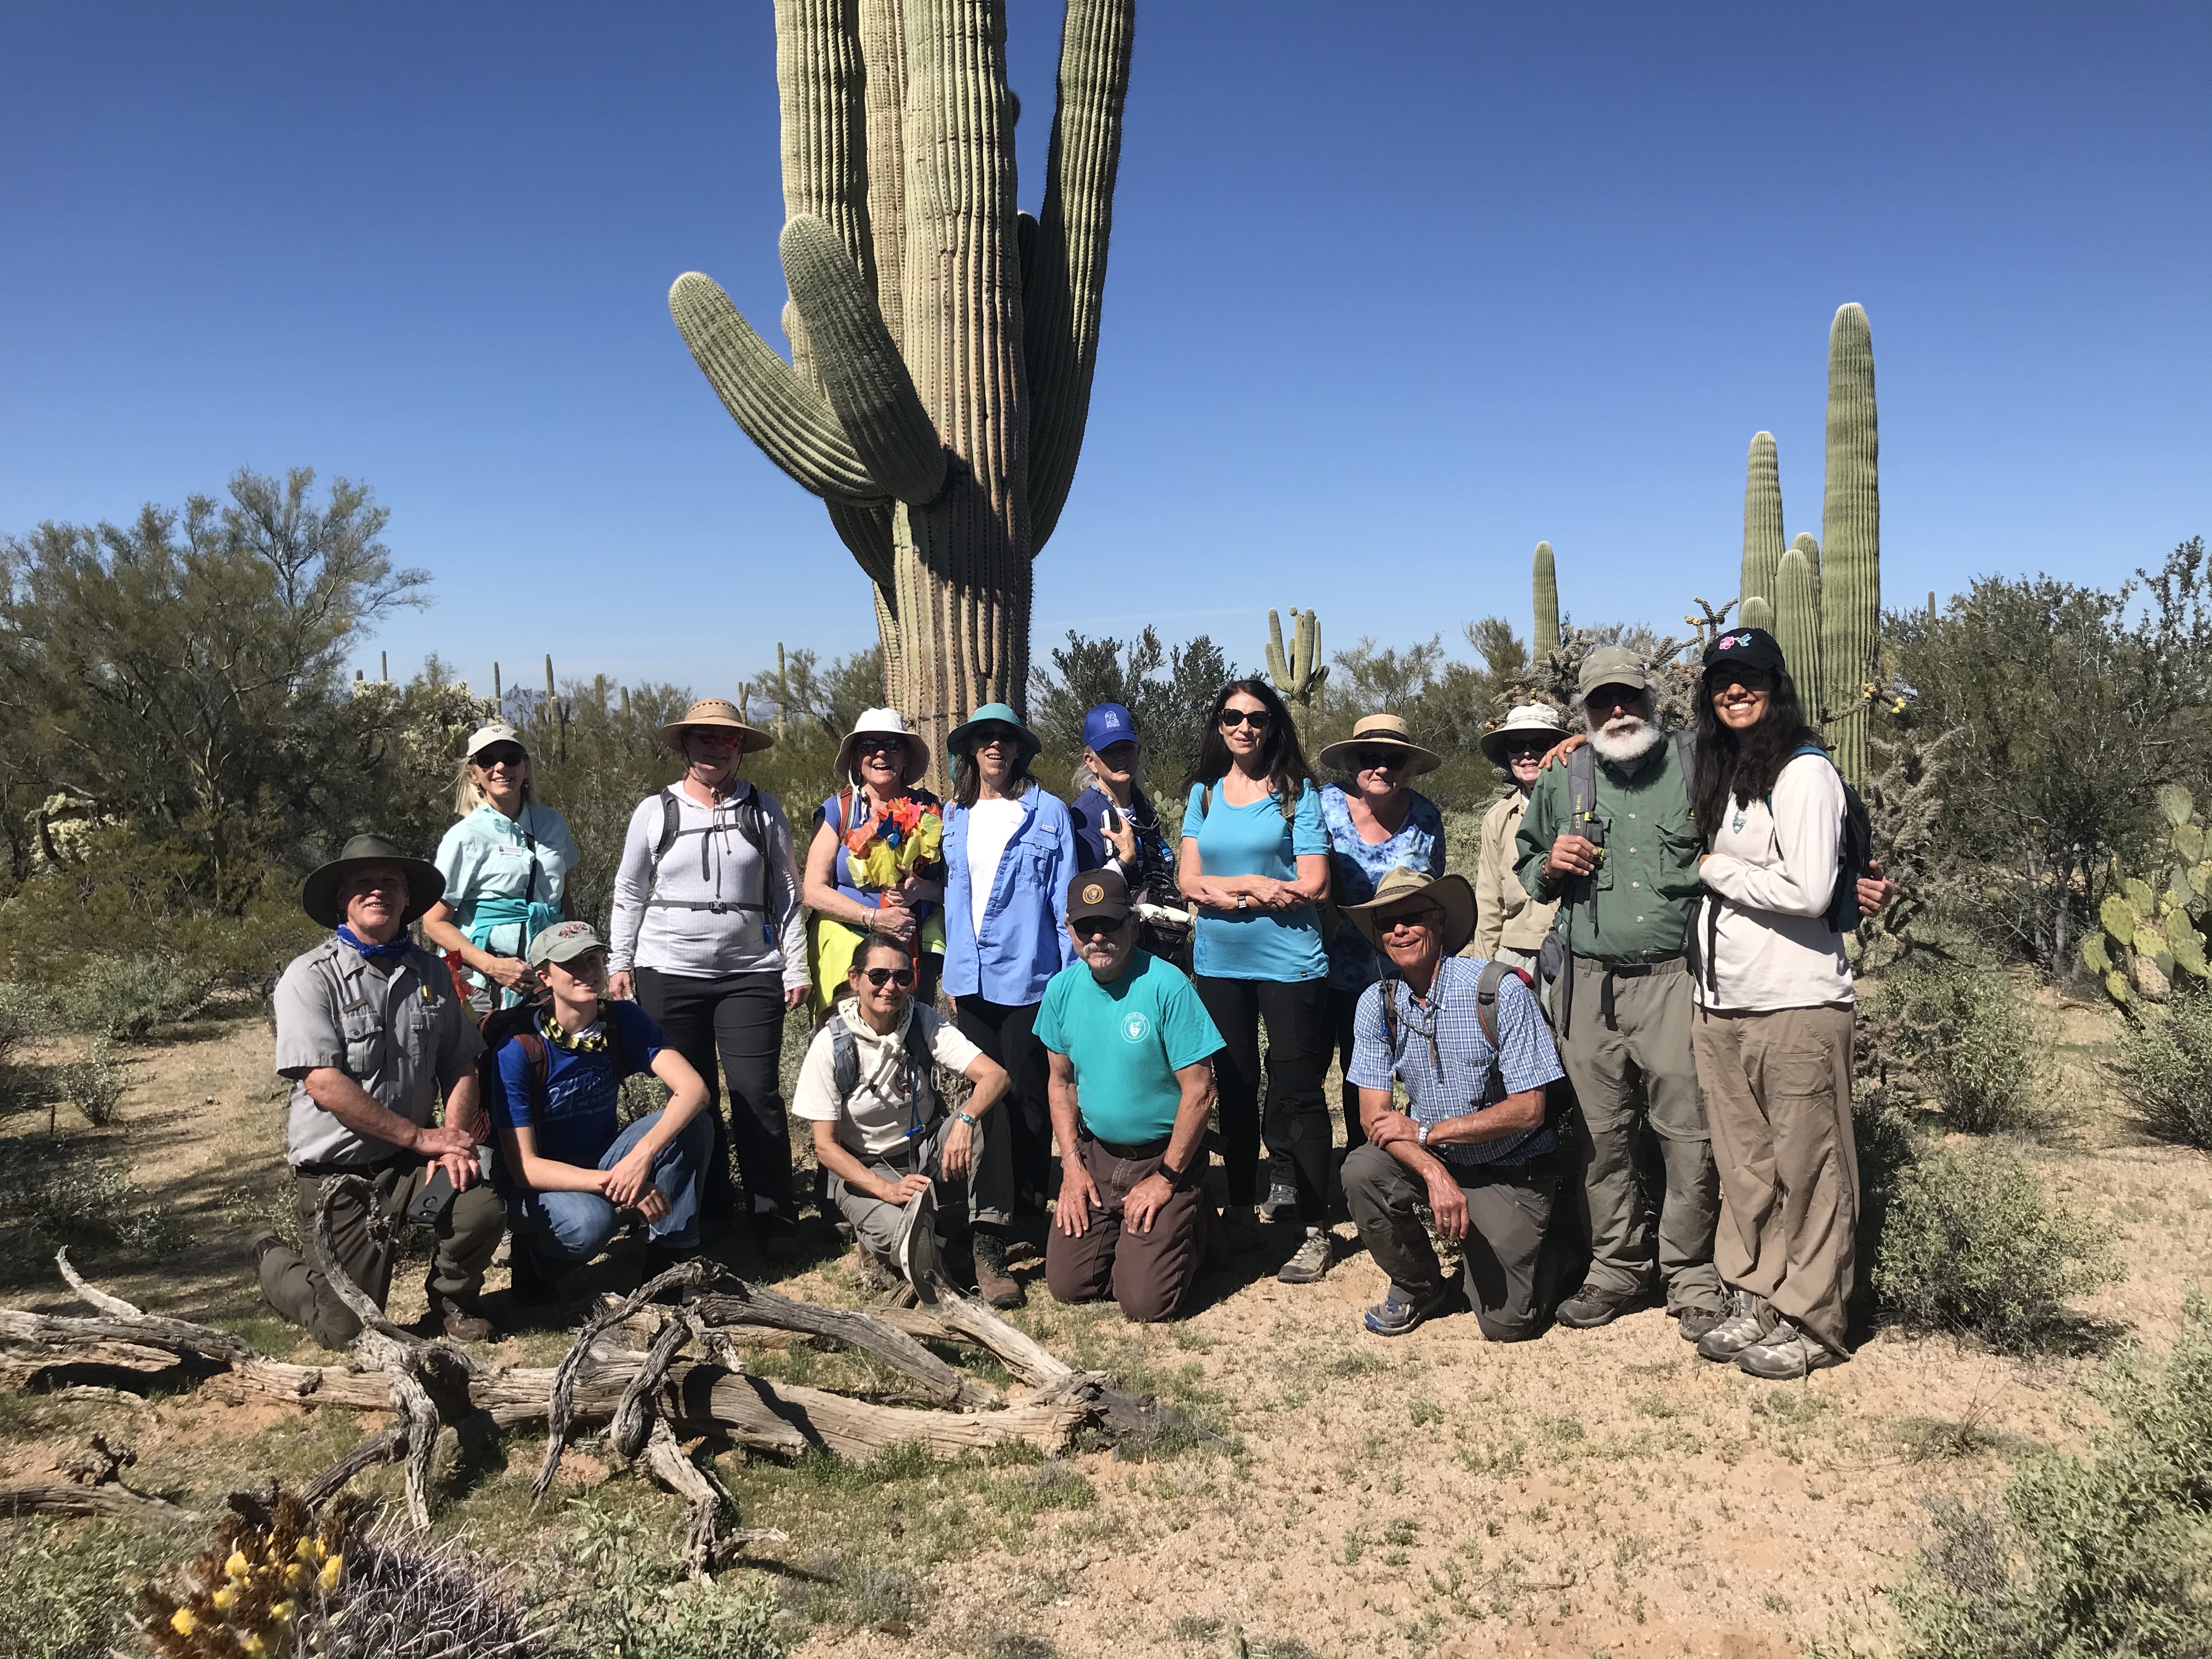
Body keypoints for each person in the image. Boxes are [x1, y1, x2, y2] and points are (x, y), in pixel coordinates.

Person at [1513, 646, 1730, 1340]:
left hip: (1676, 976)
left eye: (1629, 697)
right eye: (1602, 701)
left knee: (1686, 1135)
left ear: (1653, 699)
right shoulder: (1565, 775)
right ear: (1583, 710)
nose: (1617, 711)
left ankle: (1690, 1272)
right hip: (1586, 983)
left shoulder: (1700, 765)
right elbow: (1526, 861)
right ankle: (1617, 1266)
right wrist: (1550, 864)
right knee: (1603, 1138)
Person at [1684, 627, 1860, 1379]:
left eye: (1749, 677)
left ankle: (1814, 1317)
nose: (1735, 690)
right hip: (1725, 1004)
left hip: (1795, 1003)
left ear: (1776, 684)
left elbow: (1811, 890)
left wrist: (1720, 872)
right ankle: (1756, 1293)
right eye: (1722, 679)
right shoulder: (1731, 772)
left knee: (1810, 1164)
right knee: (1747, 1165)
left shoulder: (1804, 773)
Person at [257, 834, 505, 1347]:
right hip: (338, 1175)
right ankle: (272, 1262)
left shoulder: (433, 971)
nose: (379, 893)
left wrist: (452, 1141)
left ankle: (453, 1300)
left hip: (411, 1168)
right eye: (364, 884)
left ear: (407, 898)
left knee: (479, 1199)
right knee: (346, 1333)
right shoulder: (310, 977)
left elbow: (461, 1062)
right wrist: (421, 1137)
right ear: (343, 899)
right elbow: (323, 1084)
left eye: (390, 883)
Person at [606, 698, 808, 1262]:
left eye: (727, 740)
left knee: (756, 1095)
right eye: (703, 739)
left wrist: (796, 964)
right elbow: (629, 892)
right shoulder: (656, 810)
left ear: (739, 748)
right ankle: (709, 1209)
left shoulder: (764, 810)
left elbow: (787, 895)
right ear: (684, 746)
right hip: (668, 969)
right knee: (689, 1099)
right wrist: (619, 963)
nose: (715, 749)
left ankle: (774, 1218)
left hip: (750, 971)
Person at [1340, 867, 1568, 1340]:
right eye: (1386, 923)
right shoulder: (1376, 1004)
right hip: (1441, 1161)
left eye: (1412, 917)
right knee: (1362, 1170)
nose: (1399, 930)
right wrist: (1433, 1169)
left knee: (1507, 1325)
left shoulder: (1498, 990)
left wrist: (1429, 1134)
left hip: (1510, 1164)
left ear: (1440, 921)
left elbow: (1530, 1109)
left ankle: (1559, 1245)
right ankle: (1418, 1285)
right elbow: (1373, 1118)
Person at [1176, 678, 1336, 1284]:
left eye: (1257, 718)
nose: (1244, 727)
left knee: (1296, 1090)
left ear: (1274, 727)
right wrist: (1251, 890)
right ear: (1218, 725)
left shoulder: (1297, 793)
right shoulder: (1204, 795)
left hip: (1290, 959)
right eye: (1232, 716)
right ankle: (1242, 1206)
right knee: (1236, 1086)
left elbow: (1315, 882)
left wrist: (1228, 892)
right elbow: (1189, 878)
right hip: (1219, 961)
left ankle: (1312, 1225)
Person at [484, 921, 716, 1303]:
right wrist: (620, 1182)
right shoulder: (519, 1048)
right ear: (545, 976)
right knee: (591, 1223)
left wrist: (640, 1158)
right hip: (541, 1182)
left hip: (605, 1157)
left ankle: (668, 1264)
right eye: (571, 965)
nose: (587, 973)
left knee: (694, 1125)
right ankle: (537, 1263)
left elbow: (694, 1090)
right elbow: (526, 1168)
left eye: (593, 960)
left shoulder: (621, 1019)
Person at [792, 932, 1023, 1308]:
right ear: (855, 979)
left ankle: (987, 1247)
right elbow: (826, 1148)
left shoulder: (922, 1020)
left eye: (902, 978)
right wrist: (885, 1191)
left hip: (926, 1153)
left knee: (989, 1110)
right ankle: (921, 1249)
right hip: (866, 1172)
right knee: (915, 1245)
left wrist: (964, 1120)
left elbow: (996, 1076)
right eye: (878, 976)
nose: (891, 987)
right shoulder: (832, 1043)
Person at [1039, 870, 1226, 1323]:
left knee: (1143, 1305)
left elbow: (1200, 1091)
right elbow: (1060, 1083)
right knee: (1069, 1286)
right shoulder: (1061, 990)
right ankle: (1145, 1239)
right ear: (1070, 930)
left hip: (1162, 1157)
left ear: (1134, 924)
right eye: (1086, 927)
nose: (1098, 938)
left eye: (1110, 924)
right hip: (1098, 1156)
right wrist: (1070, 1164)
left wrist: (1165, 1178)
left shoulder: (1168, 986)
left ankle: (1193, 1217)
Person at [940, 701, 1080, 1235]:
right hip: (969, 982)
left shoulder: (1049, 813)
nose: (995, 745)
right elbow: (953, 895)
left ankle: (1027, 1208)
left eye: (1005, 737)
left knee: (1028, 1098)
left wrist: (1068, 985)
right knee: (982, 1097)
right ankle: (987, 1216)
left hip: (1030, 980)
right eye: (985, 737)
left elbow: (1064, 904)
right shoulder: (955, 816)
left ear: (1020, 748)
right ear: (972, 750)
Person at [1314, 712, 1447, 1164]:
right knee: (1307, 1072)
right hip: (1319, 964)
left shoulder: (1428, 817)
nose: (1381, 768)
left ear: (1407, 766)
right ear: (1353, 763)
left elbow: (1433, 892)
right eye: (1370, 757)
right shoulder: (1322, 805)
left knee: (1369, 1073)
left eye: (1393, 759)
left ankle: (1369, 1163)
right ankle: (1300, 1176)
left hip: (1393, 973)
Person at [422, 721, 577, 1015]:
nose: (501, 767)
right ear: (474, 774)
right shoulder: (465, 837)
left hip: (546, 976)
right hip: (482, 983)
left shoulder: (552, 824)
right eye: (488, 760)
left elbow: (562, 899)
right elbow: (434, 922)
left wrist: (572, 960)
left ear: (526, 768)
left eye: (511, 757)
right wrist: (493, 967)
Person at [802, 708, 946, 1018]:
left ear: (906, 758)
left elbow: (956, 888)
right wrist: (873, 918)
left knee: (907, 1046)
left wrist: (922, 890)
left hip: (910, 958)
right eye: (869, 746)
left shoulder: (930, 809)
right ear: (856, 759)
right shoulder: (838, 810)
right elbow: (813, 891)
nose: (881, 753)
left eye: (893, 746)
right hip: (847, 953)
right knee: (845, 1047)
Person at [1068, 701, 1190, 965]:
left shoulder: (1143, 807)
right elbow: (1084, 895)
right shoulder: (1083, 817)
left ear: (1138, 752)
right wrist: (1124, 860)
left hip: (1160, 947)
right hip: (1112, 954)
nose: (1120, 757)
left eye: (1126, 748)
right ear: (1091, 761)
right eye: (1109, 751)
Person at [1470, 704, 1570, 972]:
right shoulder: (1498, 817)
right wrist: (1482, 969)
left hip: (1574, 948)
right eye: (1516, 745)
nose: (1527, 754)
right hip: (1515, 952)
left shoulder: (1584, 803)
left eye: (1538, 743)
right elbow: (1489, 899)